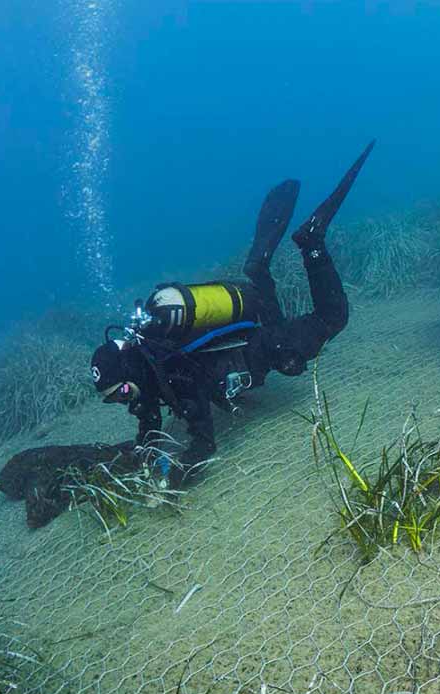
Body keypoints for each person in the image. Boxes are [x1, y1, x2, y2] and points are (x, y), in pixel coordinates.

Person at [88, 141, 375, 485]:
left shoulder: (173, 373)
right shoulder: (147, 360)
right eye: (115, 399)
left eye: (122, 392)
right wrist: (142, 453)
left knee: (333, 318)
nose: (124, 401)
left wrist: (170, 480)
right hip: (251, 329)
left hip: (266, 347)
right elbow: (148, 419)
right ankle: (257, 267)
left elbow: (203, 444)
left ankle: (312, 242)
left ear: (128, 366)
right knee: (267, 306)